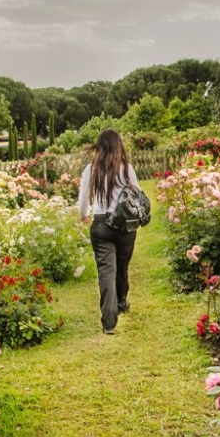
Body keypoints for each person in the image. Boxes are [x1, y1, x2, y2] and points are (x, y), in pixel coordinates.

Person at [78, 129, 139, 335]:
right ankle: (121, 302)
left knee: (106, 272)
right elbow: (137, 194)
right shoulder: (126, 169)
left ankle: (109, 323)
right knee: (121, 267)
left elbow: (84, 197)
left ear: (99, 147)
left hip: (101, 224)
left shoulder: (91, 169)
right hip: (124, 225)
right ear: (118, 145)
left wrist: (84, 214)